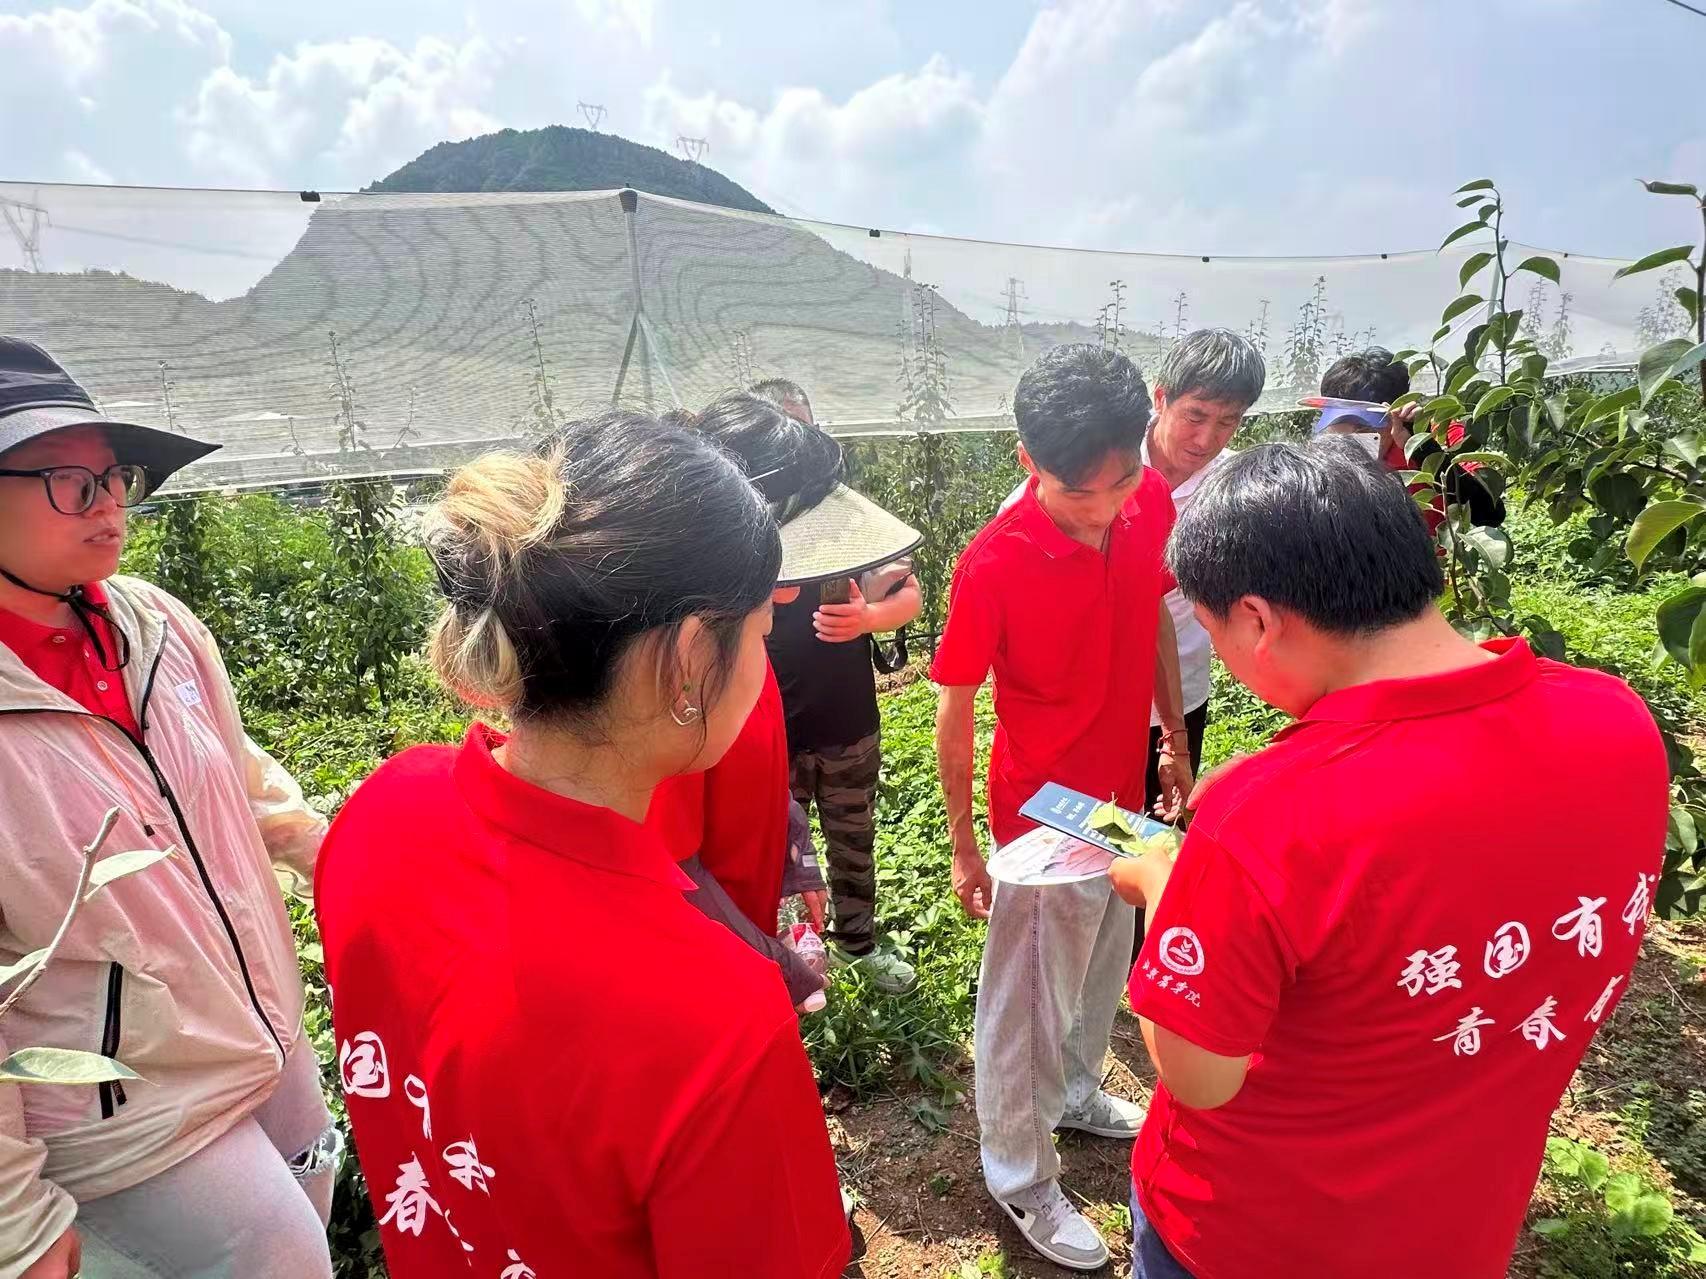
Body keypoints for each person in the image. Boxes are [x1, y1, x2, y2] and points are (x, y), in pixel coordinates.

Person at [1111, 441, 1667, 1278]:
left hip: (1251, 1234)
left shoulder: (1266, 817)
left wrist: (1165, 880)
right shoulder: (1615, 718)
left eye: (1213, 630)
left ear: (1257, 619)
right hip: (1460, 1225)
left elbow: (1199, 1074)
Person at [316, 417, 850, 1278]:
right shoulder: (715, 1016)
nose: (764, 661)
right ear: (688, 658)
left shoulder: (380, 813)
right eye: (759, 630)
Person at [0, 337, 336, 1278]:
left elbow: (238, 780)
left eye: (117, 477)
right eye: (72, 482)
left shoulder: (153, 624)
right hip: (124, 1103)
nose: (110, 504)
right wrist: (16, 1216)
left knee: (315, 1192)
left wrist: (337, 851)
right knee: (287, 1256)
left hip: (260, 1029)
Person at [933, 343, 1190, 1272]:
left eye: (1121, 483)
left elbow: (1153, 610)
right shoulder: (994, 562)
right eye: (1082, 492)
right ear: (1028, 461)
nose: (1106, 508)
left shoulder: (1147, 500)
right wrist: (965, 847)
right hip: (1044, 812)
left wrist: (1172, 733)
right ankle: (1019, 1170)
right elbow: (956, 706)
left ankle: (1077, 1092)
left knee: (1104, 954)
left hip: (1120, 793)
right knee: (1029, 1000)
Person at [751, 378, 924, 994]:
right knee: (777, 854)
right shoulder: (741, 523)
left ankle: (858, 944)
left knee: (854, 838)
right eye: (782, 431)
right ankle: (787, 959)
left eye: (805, 429)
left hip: (848, 718)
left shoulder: (843, 515)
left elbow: (908, 589)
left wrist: (871, 617)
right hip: (773, 726)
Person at [1123, 330, 1264, 819]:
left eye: (1228, 421)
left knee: (1162, 828)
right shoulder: (1107, 461)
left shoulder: (1235, 488)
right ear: (1161, 397)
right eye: (1195, 416)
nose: (1207, 440)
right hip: (1094, 690)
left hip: (1181, 687)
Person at [1317, 347, 1504, 531]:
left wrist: (1423, 450)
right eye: (1337, 421)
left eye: (1363, 426)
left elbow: (1490, 513)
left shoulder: (1440, 435)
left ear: (1395, 412)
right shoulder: (1329, 449)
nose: (1350, 437)